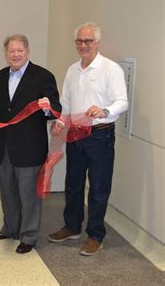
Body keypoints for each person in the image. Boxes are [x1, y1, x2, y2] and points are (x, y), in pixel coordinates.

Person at [48, 22, 128, 256]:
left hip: (100, 134)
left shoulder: (110, 69)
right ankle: (72, 227)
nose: (83, 45)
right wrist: (61, 121)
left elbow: (122, 101)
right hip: (75, 133)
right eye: (79, 41)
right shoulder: (73, 70)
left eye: (88, 41)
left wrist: (105, 111)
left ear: (97, 43)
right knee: (73, 184)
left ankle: (95, 234)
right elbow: (67, 103)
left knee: (99, 187)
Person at [0, 34, 61, 254]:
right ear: (6, 53)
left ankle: (29, 236)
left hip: (30, 148)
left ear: (28, 51)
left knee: (29, 194)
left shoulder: (42, 76)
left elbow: (54, 110)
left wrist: (48, 107)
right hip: (5, 146)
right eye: (11, 50)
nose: (15, 54)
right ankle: (10, 228)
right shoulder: (0, 76)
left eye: (20, 50)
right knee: (8, 191)